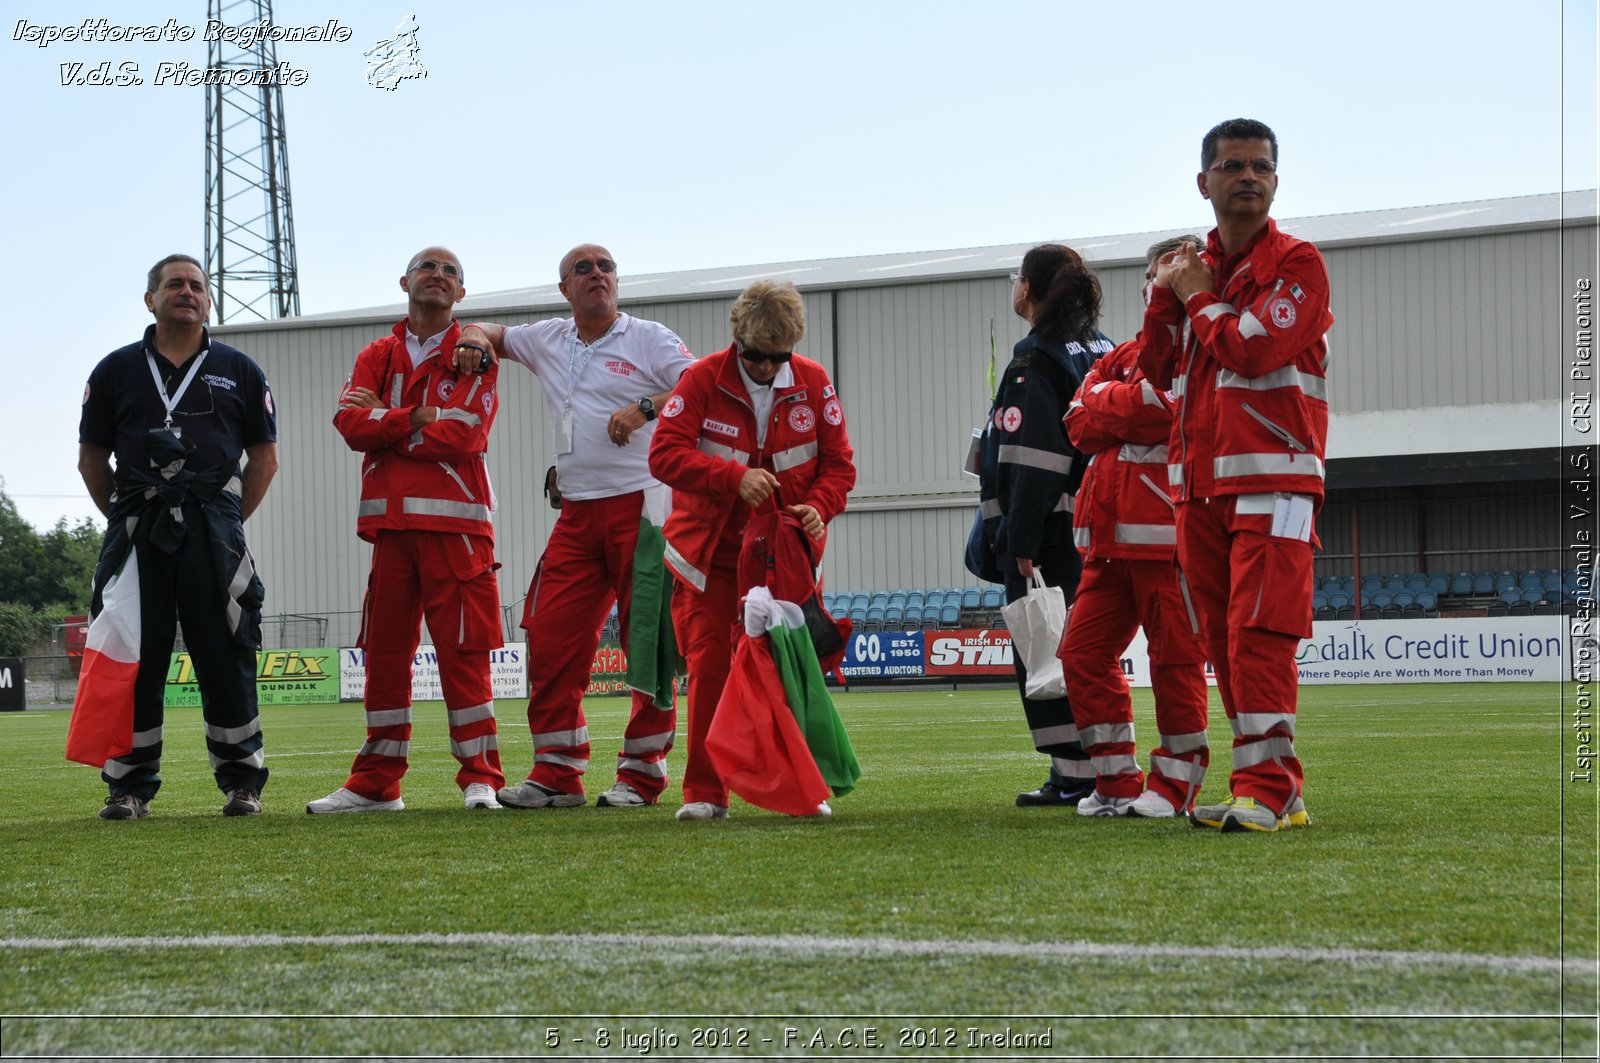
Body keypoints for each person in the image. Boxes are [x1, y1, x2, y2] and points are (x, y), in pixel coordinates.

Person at [1139, 118, 1333, 833]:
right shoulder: (1195, 268)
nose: (1247, 176)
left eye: (1260, 166)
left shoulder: (1299, 262)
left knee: (1260, 631)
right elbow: (1154, 370)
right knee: (1221, 638)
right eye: (1232, 166)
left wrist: (1193, 294)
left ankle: (1267, 786)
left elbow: (1252, 349)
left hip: (1276, 481)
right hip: (1197, 488)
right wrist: (1164, 295)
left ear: (1276, 182)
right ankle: (1275, 785)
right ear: (1205, 182)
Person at [455, 245, 693, 809]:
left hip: (643, 507)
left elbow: (700, 384)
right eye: (582, 269)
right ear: (565, 288)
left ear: (617, 281)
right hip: (578, 511)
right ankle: (558, 772)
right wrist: (470, 334)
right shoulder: (550, 338)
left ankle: (641, 775)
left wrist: (646, 407)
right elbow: (494, 332)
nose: (596, 275)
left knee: (648, 642)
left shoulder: (649, 338)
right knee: (552, 635)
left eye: (605, 267)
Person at [76, 254, 279, 819]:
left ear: (208, 300)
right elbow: (92, 459)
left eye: (196, 285)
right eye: (174, 285)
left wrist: (228, 517)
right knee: (133, 651)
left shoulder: (240, 369)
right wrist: (123, 514)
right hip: (139, 527)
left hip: (214, 529)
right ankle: (128, 786)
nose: (186, 292)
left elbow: (265, 459)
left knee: (226, 650)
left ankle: (242, 782)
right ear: (151, 299)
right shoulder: (115, 370)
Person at [648, 279, 856, 820]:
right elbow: (664, 456)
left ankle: (803, 791)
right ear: (737, 340)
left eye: (777, 358)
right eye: (756, 357)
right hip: (710, 556)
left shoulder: (814, 382)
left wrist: (819, 506)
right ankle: (705, 795)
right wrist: (731, 477)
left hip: (783, 559)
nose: (766, 367)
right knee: (712, 668)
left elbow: (840, 467)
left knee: (791, 670)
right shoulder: (699, 380)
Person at [308, 247, 507, 814]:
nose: (439, 276)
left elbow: (466, 433)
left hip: (458, 533)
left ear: (461, 295)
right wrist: (415, 419)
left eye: (450, 272)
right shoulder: (377, 352)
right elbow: (349, 423)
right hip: (392, 531)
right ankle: (376, 784)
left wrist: (388, 427)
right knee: (386, 655)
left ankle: (480, 778)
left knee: (463, 655)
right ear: (405, 281)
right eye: (428, 267)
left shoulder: (475, 351)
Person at [1060, 235, 1211, 818]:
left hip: (1169, 545)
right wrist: (1126, 402)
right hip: (1104, 547)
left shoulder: (1201, 353)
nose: (1160, 284)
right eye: (1155, 274)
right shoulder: (1120, 355)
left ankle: (1174, 787)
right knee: (1080, 656)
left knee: (1175, 665)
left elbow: (1168, 410)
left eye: (1174, 274)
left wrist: (1108, 404)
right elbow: (1076, 421)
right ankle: (1116, 782)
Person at [975, 244, 1113, 807]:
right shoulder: (1101, 346)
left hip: (1051, 534)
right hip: (1093, 523)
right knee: (1079, 648)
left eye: (1016, 279)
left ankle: (1074, 772)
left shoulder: (1037, 356)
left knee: (1044, 648)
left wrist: (1021, 540)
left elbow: (1034, 458)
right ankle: (1095, 765)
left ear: (1029, 289)